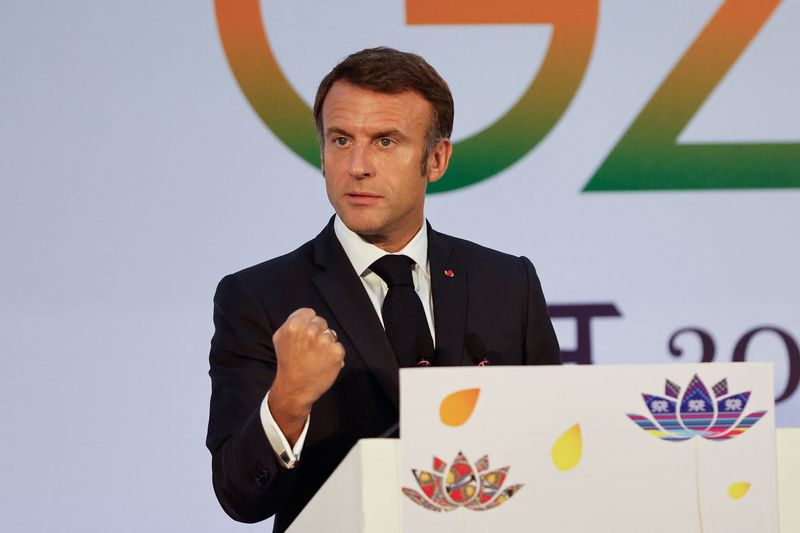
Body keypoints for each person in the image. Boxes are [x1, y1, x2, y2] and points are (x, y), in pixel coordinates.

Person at [206, 47, 561, 532]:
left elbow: (552, 452)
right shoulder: (259, 297)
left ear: (436, 159)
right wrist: (287, 400)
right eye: (340, 140)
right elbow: (240, 497)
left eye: (386, 141)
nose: (357, 166)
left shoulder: (506, 283)